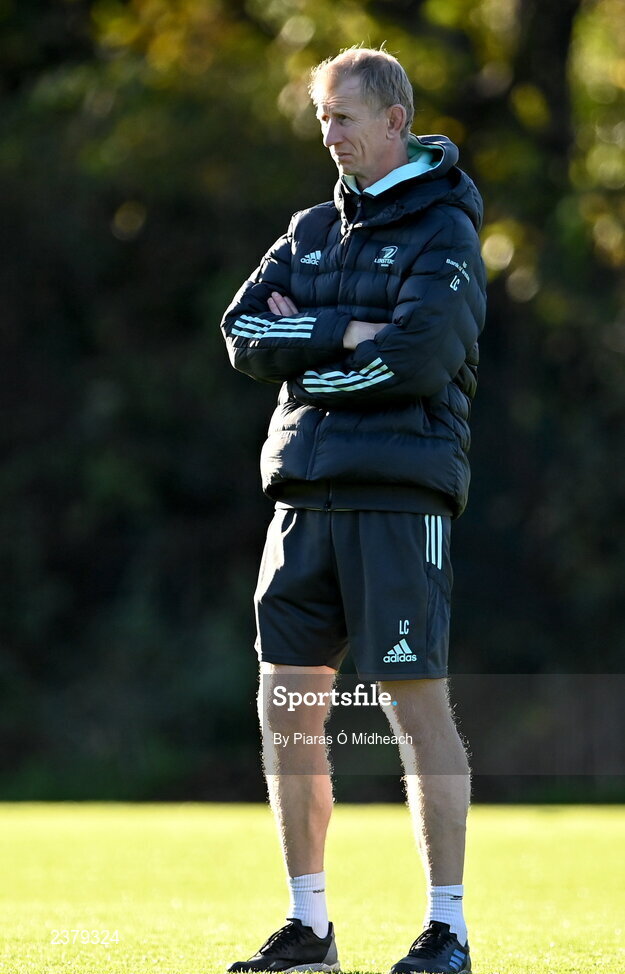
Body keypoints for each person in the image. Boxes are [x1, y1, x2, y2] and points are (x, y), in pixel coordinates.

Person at [221, 46, 486, 974]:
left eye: (344, 117)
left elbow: (415, 362)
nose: (329, 134)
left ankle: (446, 929)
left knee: (414, 709)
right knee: (285, 706)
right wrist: (340, 331)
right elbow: (241, 333)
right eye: (322, 117)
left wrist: (312, 354)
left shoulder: (446, 230)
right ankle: (309, 929)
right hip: (302, 495)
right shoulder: (305, 230)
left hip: (396, 499)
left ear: (395, 122)